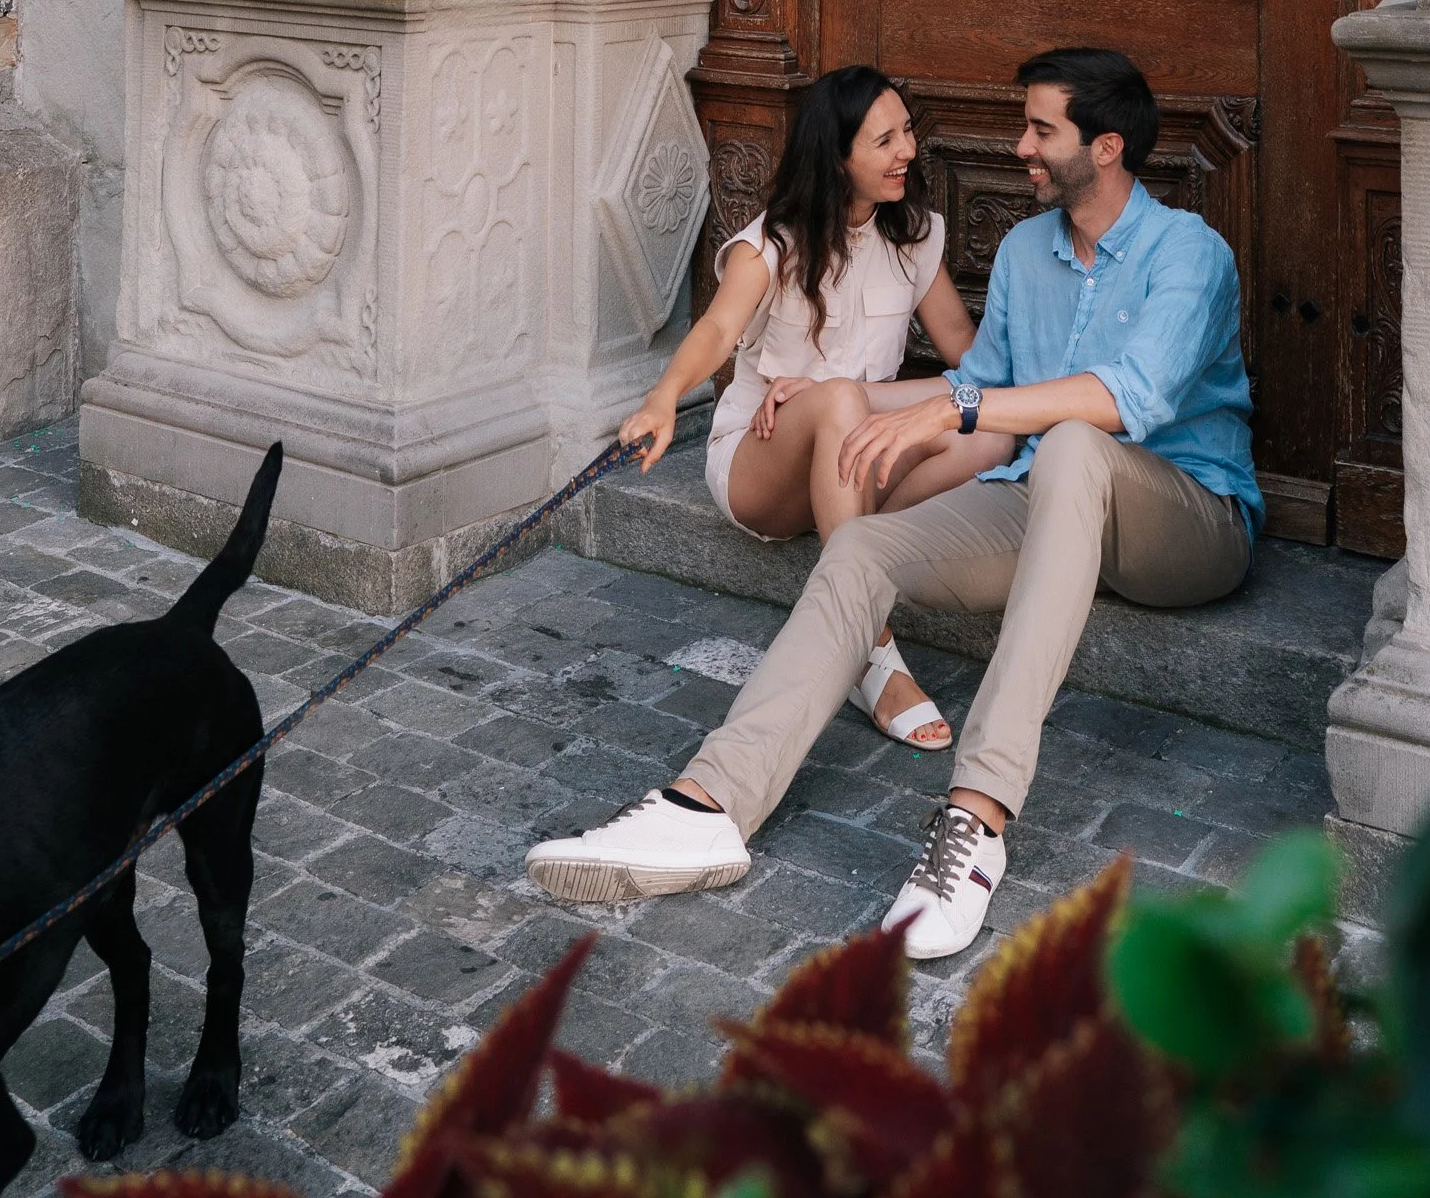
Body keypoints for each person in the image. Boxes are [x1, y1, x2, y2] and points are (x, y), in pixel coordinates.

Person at [527, 48, 1261, 952]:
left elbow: (1125, 401)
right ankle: (707, 803)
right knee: (864, 549)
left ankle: (977, 819)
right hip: (1049, 502)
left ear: (1105, 147)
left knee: (1075, 440)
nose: (1020, 145)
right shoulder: (1030, 252)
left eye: (1041, 131)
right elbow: (981, 378)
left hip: (1187, 519)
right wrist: (834, 396)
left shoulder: (1189, 250)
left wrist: (956, 406)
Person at [619, 65, 991, 751]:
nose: (906, 150)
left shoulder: (914, 237)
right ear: (837, 154)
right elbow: (714, 332)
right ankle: (868, 649)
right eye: (883, 140)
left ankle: (848, 530)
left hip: (857, 448)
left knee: (986, 432)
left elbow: (970, 358)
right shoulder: (772, 244)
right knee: (843, 402)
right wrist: (663, 399)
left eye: (906, 131)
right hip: (762, 466)